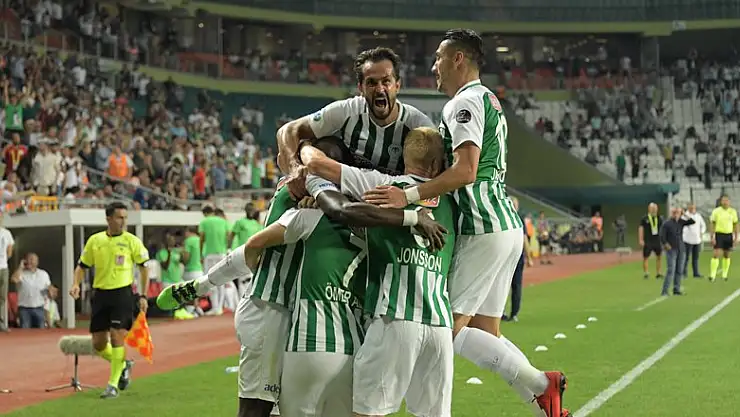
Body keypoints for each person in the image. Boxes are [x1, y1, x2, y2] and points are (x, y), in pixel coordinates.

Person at [157, 136, 446, 417]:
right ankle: (198, 287)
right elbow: (262, 243)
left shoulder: (316, 205)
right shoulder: (306, 192)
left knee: (273, 407)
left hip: (298, 317)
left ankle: (199, 286)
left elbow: (253, 248)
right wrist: (411, 217)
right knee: (257, 407)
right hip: (271, 306)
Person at [363, 29, 567, 417]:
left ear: (458, 59)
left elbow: (466, 170)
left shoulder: (465, 103)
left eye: (439, 58)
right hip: (504, 225)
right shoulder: (488, 99)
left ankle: (543, 384)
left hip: (482, 226)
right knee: (487, 333)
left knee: (446, 329)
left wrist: (408, 196)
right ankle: (543, 401)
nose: (434, 66)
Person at [301, 128, 455, 417]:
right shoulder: (453, 200)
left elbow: (323, 169)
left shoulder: (384, 186)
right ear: (437, 165)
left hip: (394, 317)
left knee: (368, 411)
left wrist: (305, 155)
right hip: (440, 326)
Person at [276, 47, 435, 199]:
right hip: (347, 191)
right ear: (361, 88)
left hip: (396, 196)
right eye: (371, 83)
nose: (380, 89)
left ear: (397, 86)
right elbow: (288, 130)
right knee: (326, 146)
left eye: (386, 81)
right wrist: (294, 169)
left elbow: (437, 171)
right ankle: (321, 193)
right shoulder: (347, 110)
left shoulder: (417, 124)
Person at [69, 201, 150, 399]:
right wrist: (76, 284)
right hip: (101, 294)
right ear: (109, 219)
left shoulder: (132, 241)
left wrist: (143, 294)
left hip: (122, 294)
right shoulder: (95, 240)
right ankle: (123, 364)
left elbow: (144, 268)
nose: (123, 221)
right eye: (119, 217)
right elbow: (82, 266)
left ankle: (112, 386)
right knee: (98, 343)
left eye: (125, 218)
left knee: (116, 336)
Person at [199, 206, 229, 315]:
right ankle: (219, 308)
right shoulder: (223, 221)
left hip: (209, 254)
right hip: (221, 253)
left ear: (205, 213)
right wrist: (226, 248)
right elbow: (228, 236)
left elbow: (201, 239)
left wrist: (201, 254)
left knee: (210, 280)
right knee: (221, 281)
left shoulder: (204, 222)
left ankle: (215, 307)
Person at [503, 197, 529, 323]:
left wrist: (529, 256)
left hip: (510, 257)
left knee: (507, 285)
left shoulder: (504, 217)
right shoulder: (517, 219)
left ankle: (506, 313)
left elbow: (524, 239)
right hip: (511, 257)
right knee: (512, 285)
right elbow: (524, 239)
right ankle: (510, 313)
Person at [659, 208, 695, 296]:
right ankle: (665, 290)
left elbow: (692, 221)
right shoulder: (667, 223)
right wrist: (665, 244)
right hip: (671, 249)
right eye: (674, 212)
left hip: (681, 248)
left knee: (679, 270)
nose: (676, 214)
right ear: (671, 213)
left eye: (678, 213)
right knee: (671, 270)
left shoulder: (681, 222)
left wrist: (684, 214)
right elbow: (662, 236)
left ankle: (676, 289)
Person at [11, 253, 51, 328]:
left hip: (39, 308)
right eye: (27, 259)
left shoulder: (43, 274)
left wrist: (46, 308)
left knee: (40, 331)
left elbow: (46, 290)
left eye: (31, 259)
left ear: (37, 262)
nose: (29, 261)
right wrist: (20, 267)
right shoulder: (21, 274)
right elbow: (14, 279)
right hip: (24, 309)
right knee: (25, 332)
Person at [709, 195, 738, 282]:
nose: (725, 202)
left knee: (727, 254)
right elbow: (712, 224)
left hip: (728, 235)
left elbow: (735, 224)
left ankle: (724, 275)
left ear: (729, 202)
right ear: (721, 202)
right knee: (716, 254)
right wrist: (712, 237)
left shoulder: (733, 211)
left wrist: (736, 237)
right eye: (723, 200)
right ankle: (712, 275)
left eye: (726, 200)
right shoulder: (716, 211)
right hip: (719, 234)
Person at [638, 203, 664, 279]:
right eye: (652, 208)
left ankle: (658, 273)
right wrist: (640, 239)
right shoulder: (645, 218)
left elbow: (663, 229)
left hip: (657, 240)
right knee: (646, 257)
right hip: (648, 240)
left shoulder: (660, 218)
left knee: (659, 256)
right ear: (649, 209)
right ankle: (646, 273)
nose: (654, 210)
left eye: (655, 208)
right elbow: (641, 229)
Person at [682, 203, 706, 278]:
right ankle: (684, 273)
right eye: (691, 208)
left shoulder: (698, 216)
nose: (692, 209)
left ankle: (696, 273)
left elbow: (703, 225)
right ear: (688, 208)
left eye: (693, 207)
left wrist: (701, 232)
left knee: (695, 258)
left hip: (697, 240)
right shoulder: (684, 216)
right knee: (686, 257)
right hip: (687, 240)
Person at [0, 213, 14, 332]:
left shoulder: (6, 233)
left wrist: (4, 259)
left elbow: (10, 251)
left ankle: (0, 322)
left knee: (2, 296)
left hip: (3, 267)